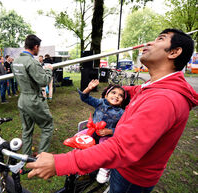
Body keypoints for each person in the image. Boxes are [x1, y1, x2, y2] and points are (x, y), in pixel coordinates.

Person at [27, 29, 198, 193]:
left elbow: (122, 148)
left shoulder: (163, 100)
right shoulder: (153, 88)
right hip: (124, 167)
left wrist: (60, 163)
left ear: (174, 52)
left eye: (160, 39)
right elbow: (138, 90)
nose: (149, 42)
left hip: (131, 177)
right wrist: (116, 90)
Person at [74, 80, 129, 183]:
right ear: (106, 95)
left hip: (106, 136)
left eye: (120, 95)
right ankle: (77, 158)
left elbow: (123, 129)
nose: (116, 96)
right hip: (92, 131)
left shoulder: (122, 113)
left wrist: (110, 131)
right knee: (77, 137)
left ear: (122, 101)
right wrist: (89, 88)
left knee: (106, 150)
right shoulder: (100, 103)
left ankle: (105, 169)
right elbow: (84, 98)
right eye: (113, 93)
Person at [12, 34, 54, 156]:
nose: (39, 50)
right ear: (35, 47)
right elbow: (43, 81)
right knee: (47, 126)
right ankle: (42, 157)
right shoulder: (32, 62)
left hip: (22, 99)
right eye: (39, 48)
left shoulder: (16, 61)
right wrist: (48, 70)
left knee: (27, 130)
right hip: (33, 100)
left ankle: (25, 157)